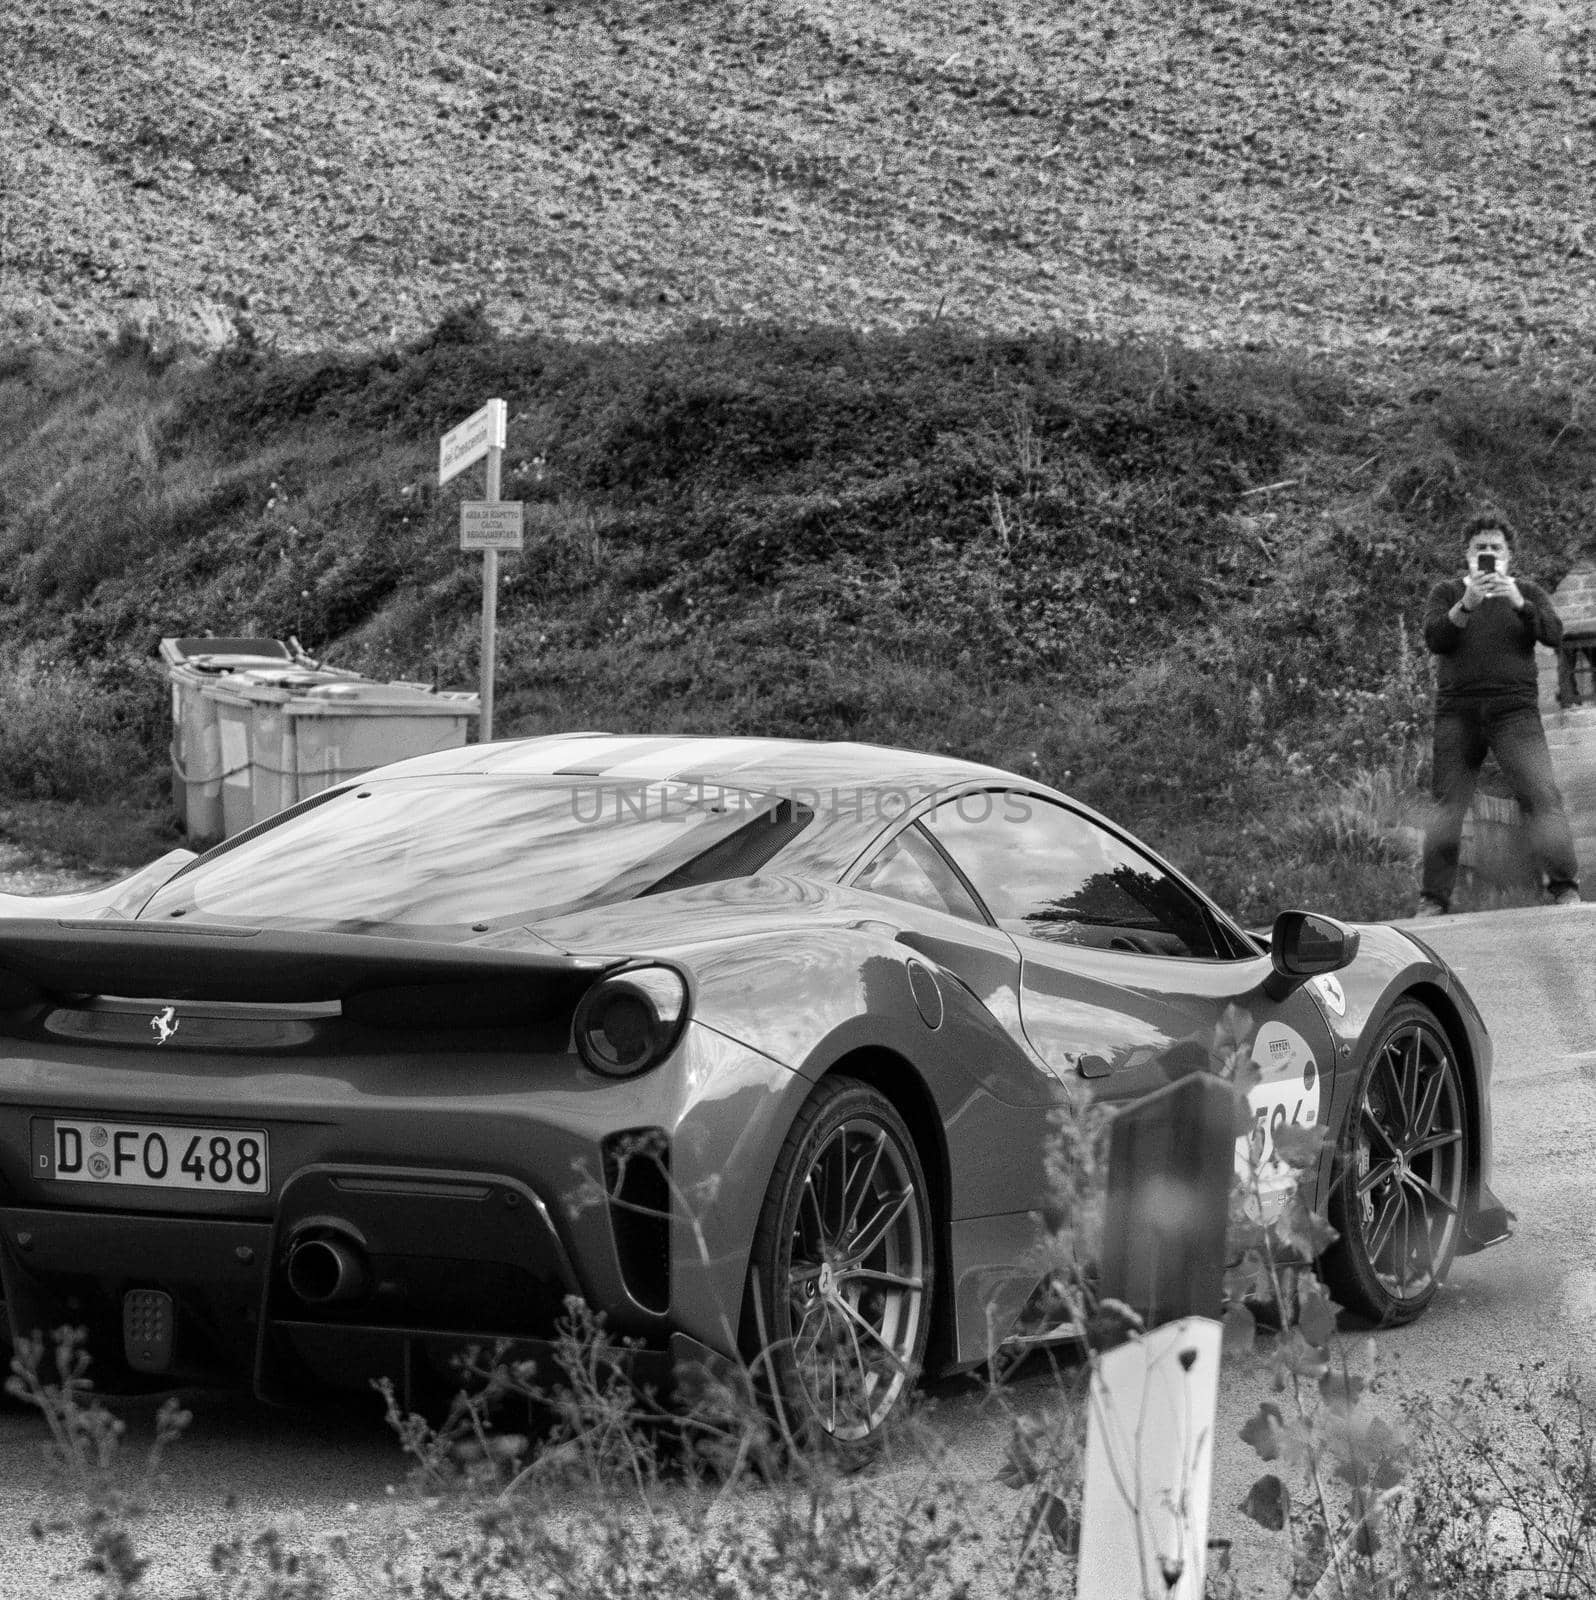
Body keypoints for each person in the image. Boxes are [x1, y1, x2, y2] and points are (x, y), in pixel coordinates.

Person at [1416, 514, 1580, 915]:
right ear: (1467, 554)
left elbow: (1554, 634)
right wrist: (1465, 606)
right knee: (1446, 805)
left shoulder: (1527, 592)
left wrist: (1520, 603)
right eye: (1480, 548)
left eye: (1495, 549)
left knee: (1542, 796)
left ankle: (1563, 887)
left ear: (1509, 556)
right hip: (1458, 712)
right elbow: (1436, 638)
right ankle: (1433, 899)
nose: (1487, 554)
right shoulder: (1448, 591)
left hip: (1514, 712)